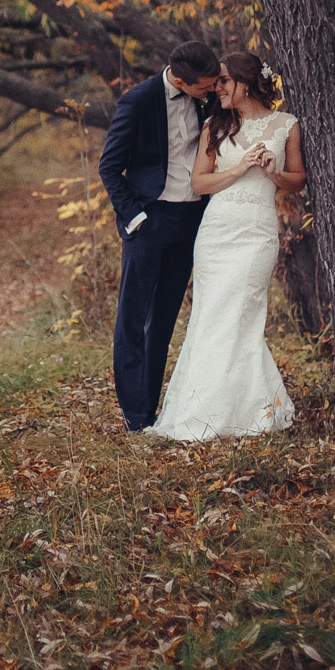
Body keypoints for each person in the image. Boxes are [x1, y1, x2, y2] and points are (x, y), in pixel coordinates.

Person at [148, 50, 304, 441]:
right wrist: (239, 168)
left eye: (223, 82)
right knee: (211, 315)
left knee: (242, 315)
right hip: (217, 232)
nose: (216, 89)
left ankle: (250, 410)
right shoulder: (214, 126)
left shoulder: (287, 125)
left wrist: (273, 172)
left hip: (257, 232)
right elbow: (200, 183)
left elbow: (298, 180)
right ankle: (201, 410)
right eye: (216, 82)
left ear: (245, 84)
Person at [97, 40, 223, 432]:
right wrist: (135, 218)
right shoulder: (137, 102)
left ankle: (151, 410)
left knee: (165, 320)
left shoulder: (206, 99)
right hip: (149, 221)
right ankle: (135, 418)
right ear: (182, 82)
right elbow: (109, 167)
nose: (212, 91)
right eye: (205, 86)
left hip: (190, 221)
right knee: (132, 321)